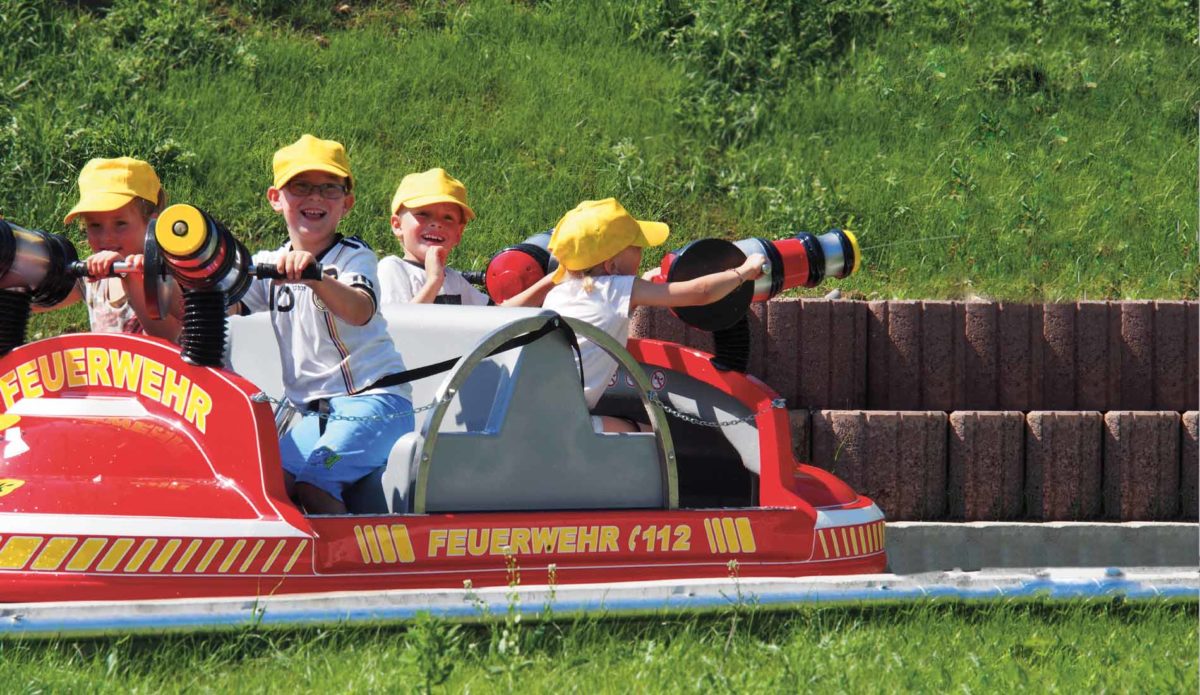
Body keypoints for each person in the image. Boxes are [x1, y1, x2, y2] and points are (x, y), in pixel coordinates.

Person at [236, 134, 414, 514]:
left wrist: (314, 277)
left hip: (376, 406)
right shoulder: (270, 263)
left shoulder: (354, 257)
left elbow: (359, 310)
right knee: (265, 485)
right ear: (276, 198)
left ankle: (350, 554)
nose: (315, 197)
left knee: (315, 484)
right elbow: (222, 302)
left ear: (346, 203)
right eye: (300, 186)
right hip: (319, 417)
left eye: (329, 188)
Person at [543, 198, 765, 433]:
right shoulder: (618, 290)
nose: (642, 252)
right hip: (565, 426)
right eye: (637, 247)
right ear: (611, 267)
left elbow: (605, 314)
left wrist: (643, 288)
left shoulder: (560, 294)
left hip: (538, 413)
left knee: (643, 433)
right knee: (652, 440)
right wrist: (744, 272)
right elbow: (701, 293)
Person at [42, 157, 183, 341]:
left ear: (152, 224)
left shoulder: (163, 273)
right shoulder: (91, 279)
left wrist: (129, 277)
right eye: (95, 225)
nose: (106, 237)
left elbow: (168, 336)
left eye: (120, 223)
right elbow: (37, 302)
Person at [378, 167, 553, 306]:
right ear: (397, 225)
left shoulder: (454, 280)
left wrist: (553, 279)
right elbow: (400, 328)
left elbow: (498, 317)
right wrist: (434, 281)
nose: (436, 223)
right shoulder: (393, 269)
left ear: (458, 233)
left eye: (448, 218)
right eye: (423, 214)